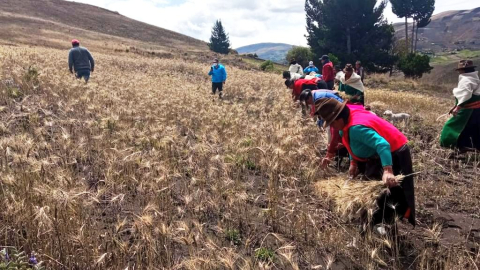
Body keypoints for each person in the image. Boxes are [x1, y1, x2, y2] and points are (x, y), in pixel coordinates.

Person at [314, 98, 416, 228]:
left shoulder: (356, 128)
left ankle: (384, 226)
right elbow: (349, 143)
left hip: (393, 153)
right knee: (375, 194)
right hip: (376, 156)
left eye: (331, 123)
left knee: (388, 194)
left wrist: (388, 170)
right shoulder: (345, 124)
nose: (331, 127)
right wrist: (353, 163)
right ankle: (376, 224)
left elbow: (383, 144)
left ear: (338, 120)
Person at [440, 60, 480, 151]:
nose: (459, 72)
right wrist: (455, 105)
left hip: (467, 110)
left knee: (452, 126)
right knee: (473, 128)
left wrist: (458, 107)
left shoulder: (466, 80)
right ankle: (473, 146)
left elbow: (466, 95)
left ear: (463, 70)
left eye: (460, 70)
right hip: (477, 109)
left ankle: (451, 143)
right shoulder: (475, 78)